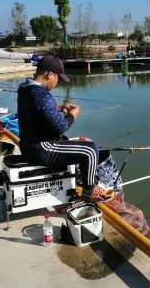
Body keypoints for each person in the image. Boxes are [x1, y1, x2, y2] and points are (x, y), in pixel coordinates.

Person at [17, 55, 113, 202]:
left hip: (28, 146)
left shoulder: (25, 88)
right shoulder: (42, 95)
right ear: (49, 74)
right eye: (59, 79)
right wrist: (72, 116)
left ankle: (83, 181)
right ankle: (90, 192)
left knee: (83, 144)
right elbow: (60, 127)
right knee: (90, 149)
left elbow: (37, 110)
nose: (59, 82)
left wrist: (60, 107)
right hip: (42, 148)